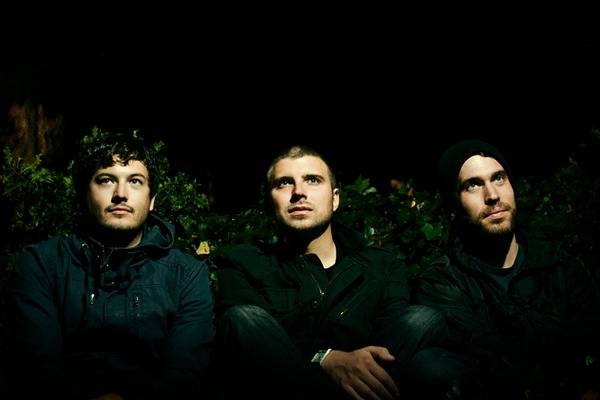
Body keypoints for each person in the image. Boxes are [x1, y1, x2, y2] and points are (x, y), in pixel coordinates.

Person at [213, 145, 450, 399]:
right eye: (284, 183)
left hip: (368, 386)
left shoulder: (381, 265)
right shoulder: (244, 263)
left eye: (312, 180)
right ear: (270, 201)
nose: (298, 192)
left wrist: (348, 366)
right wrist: (323, 358)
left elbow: (389, 343)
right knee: (243, 319)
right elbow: (250, 342)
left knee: (422, 319)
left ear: (335, 198)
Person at [5, 131, 214, 399]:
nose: (121, 194)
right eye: (106, 180)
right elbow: (37, 369)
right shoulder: (42, 264)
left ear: (152, 199)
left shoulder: (186, 274)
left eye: (135, 181)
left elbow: (185, 374)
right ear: (84, 193)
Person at [411, 139, 600, 399]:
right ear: (453, 205)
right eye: (473, 185)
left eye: (498, 178)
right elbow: (490, 366)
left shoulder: (559, 265)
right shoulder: (442, 283)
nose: (492, 195)